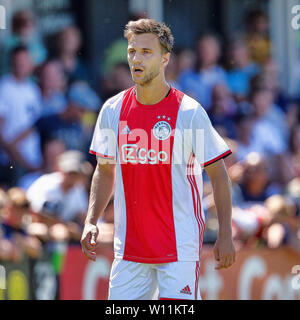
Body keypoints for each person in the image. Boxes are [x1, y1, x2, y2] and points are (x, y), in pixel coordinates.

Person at [81, 19, 235, 300]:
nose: (136, 59)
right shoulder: (112, 110)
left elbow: (219, 175)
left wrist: (225, 233)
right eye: (132, 51)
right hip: (129, 249)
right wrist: (92, 219)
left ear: (165, 59)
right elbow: (104, 171)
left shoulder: (190, 112)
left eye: (146, 52)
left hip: (179, 248)